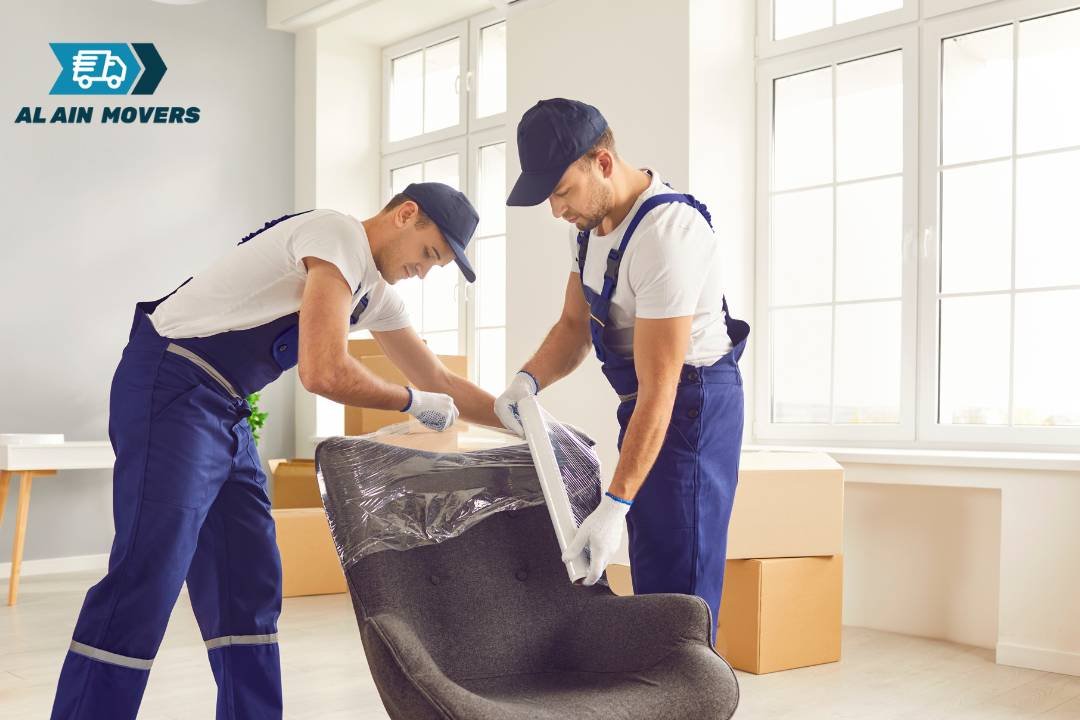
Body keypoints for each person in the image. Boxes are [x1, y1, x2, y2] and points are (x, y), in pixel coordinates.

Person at [51, 182, 500, 720]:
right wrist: (410, 401)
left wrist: (525, 419)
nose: (424, 271)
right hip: (171, 385)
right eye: (429, 254)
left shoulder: (373, 293)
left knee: (249, 581)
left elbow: (439, 378)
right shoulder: (336, 235)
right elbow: (323, 369)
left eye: (438, 266)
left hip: (224, 405)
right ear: (407, 214)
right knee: (149, 571)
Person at [496, 98, 750, 644]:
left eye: (561, 191)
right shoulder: (587, 226)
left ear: (602, 162)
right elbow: (573, 326)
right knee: (653, 569)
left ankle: (695, 698)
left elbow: (662, 386)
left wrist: (614, 505)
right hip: (648, 403)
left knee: (682, 588)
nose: (556, 210)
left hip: (694, 404)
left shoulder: (668, 233)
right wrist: (527, 381)